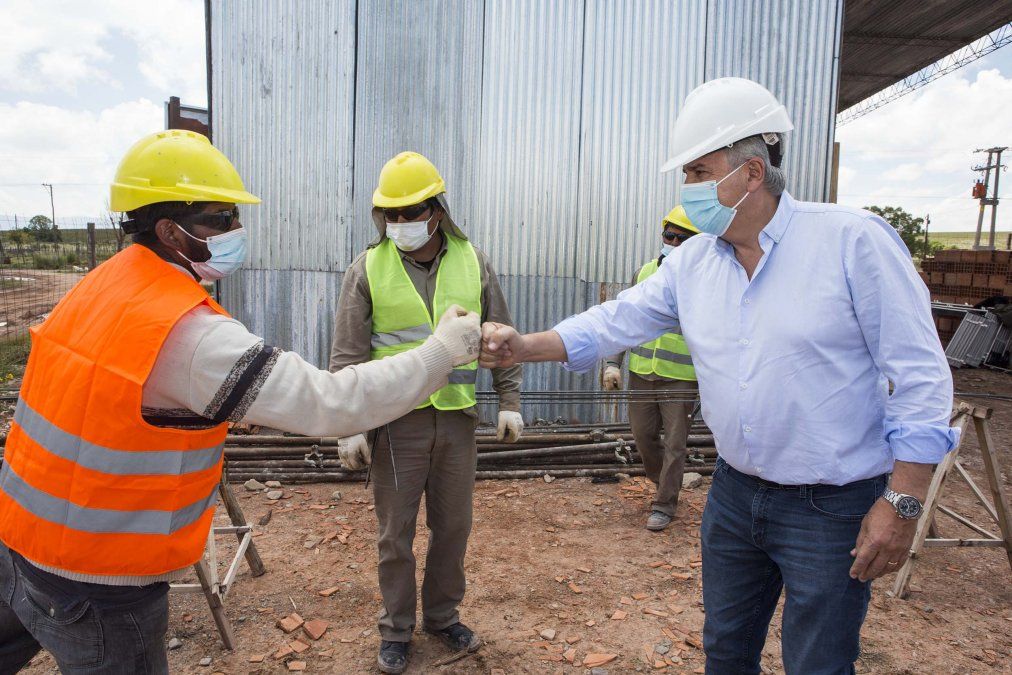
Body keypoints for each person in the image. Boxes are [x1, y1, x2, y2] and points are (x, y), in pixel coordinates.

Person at [479, 77, 958, 674]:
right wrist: (523, 346)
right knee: (726, 651)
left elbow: (920, 377)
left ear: (751, 173)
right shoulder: (693, 263)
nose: (690, 189)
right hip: (735, 497)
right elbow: (616, 320)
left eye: (701, 172)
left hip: (830, 507)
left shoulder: (852, 242)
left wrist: (904, 499)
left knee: (819, 661)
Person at [0, 130, 481, 674]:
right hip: (100, 581)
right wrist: (439, 354)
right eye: (220, 218)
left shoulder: (101, 285)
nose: (236, 230)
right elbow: (327, 401)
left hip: (20, 545)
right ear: (169, 231)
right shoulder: (186, 333)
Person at [328, 151, 523, 674]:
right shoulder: (367, 268)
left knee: (453, 527)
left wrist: (509, 402)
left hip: (458, 420)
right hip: (397, 423)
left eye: (410, 212)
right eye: (391, 214)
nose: (400, 224)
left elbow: (501, 337)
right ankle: (395, 631)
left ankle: (441, 617)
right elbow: (348, 353)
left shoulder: (473, 260)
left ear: (436, 211)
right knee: (395, 534)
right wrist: (349, 426)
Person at [602, 206, 700, 531]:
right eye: (668, 235)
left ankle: (665, 503)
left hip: (681, 379)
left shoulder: (704, 282)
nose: (671, 242)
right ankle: (666, 482)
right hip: (642, 374)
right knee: (643, 437)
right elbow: (623, 319)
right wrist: (613, 364)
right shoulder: (644, 274)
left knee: (675, 443)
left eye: (680, 238)